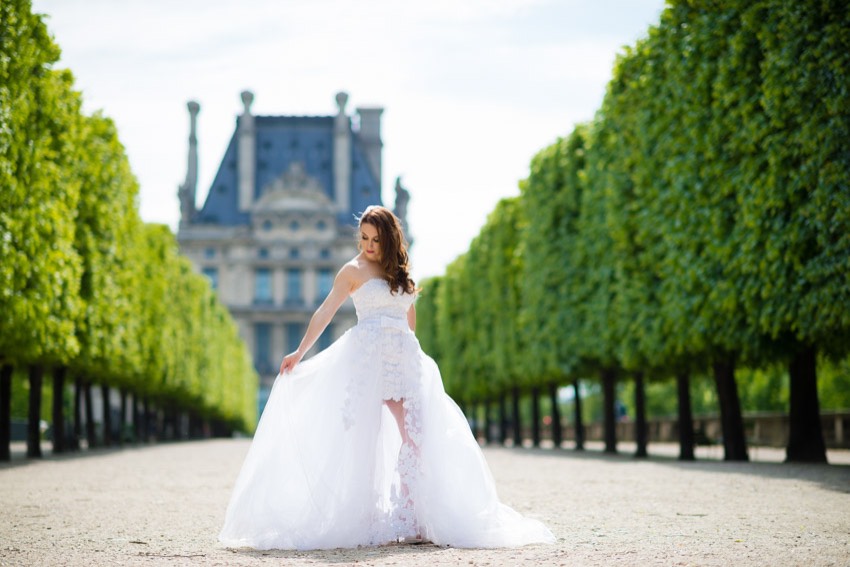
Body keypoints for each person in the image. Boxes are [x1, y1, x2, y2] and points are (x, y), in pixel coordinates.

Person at [219, 205, 555, 550]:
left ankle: (411, 516)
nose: (368, 245)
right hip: (366, 359)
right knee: (360, 441)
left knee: (415, 437)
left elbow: (409, 319)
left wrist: (413, 355)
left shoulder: (401, 272)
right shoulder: (352, 270)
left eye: (375, 239)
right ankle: (361, 519)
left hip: (402, 359)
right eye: (364, 238)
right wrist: (299, 352)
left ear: (389, 238)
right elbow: (325, 312)